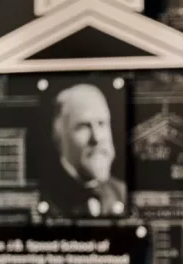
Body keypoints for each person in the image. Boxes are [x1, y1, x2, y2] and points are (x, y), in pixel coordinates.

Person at [39, 83, 127, 218]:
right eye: (83, 126)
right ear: (59, 135)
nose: (97, 138)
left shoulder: (121, 193)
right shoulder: (43, 197)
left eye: (102, 123)